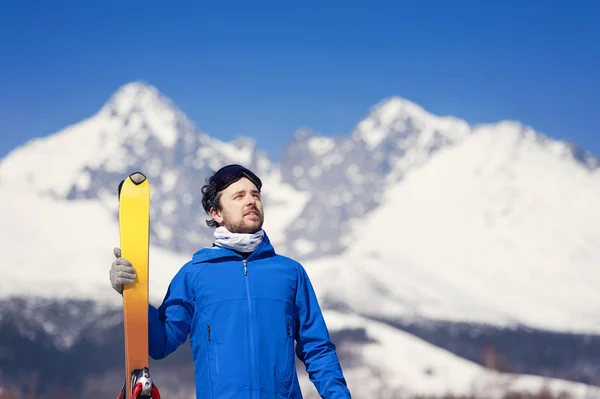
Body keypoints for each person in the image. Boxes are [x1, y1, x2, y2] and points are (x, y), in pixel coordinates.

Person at [110, 164, 351, 399]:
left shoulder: (290, 272)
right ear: (216, 213)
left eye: (255, 195)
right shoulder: (195, 274)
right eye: (239, 196)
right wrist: (132, 294)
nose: (251, 201)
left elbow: (317, 349)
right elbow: (161, 343)